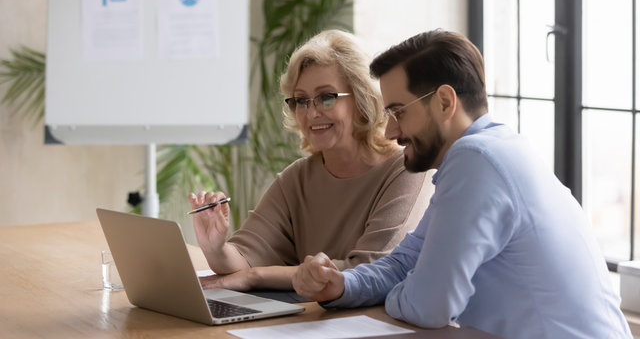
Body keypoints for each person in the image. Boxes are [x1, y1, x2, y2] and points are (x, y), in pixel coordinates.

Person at [292, 29, 632, 338]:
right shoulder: (487, 153)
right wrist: (342, 285)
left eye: (398, 113)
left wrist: (405, 289)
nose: (390, 132)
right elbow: (406, 261)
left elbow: (428, 307)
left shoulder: (477, 161)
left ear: (444, 102)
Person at [188, 29, 433, 292]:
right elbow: (243, 261)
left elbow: (370, 270)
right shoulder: (296, 179)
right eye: (301, 100)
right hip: (313, 321)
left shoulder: (407, 170)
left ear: (362, 99)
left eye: (326, 97)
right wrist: (216, 248)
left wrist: (257, 276)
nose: (311, 112)